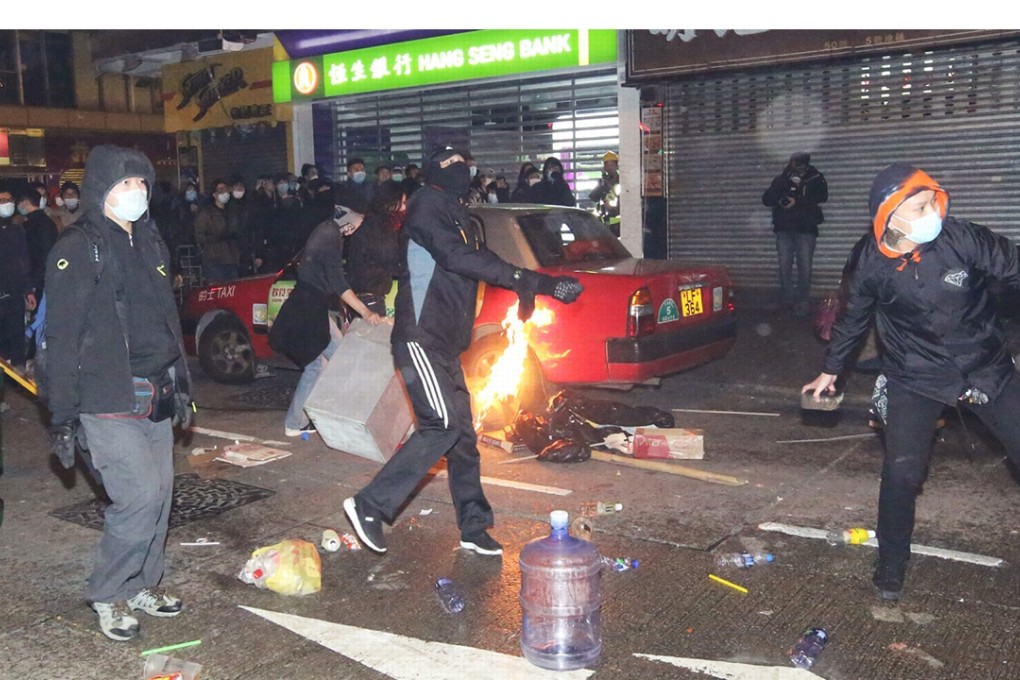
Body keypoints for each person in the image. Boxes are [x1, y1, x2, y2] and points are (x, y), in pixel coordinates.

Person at [342, 147, 584, 556]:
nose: (463, 169)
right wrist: (527, 280)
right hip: (420, 337)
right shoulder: (425, 207)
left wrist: (530, 284)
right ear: (435, 172)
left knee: (463, 437)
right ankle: (369, 504)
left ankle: (473, 527)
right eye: (452, 164)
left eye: (465, 163)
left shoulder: (458, 212)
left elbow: (482, 259)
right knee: (442, 426)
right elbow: (456, 257)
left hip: (446, 343)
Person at [802, 162, 1020, 602]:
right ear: (889, 214)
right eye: (919, 207)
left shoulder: (962, 238)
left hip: (985, 365)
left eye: (933, 203)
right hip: (914, 375)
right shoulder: (868, 260)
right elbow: (853, 317)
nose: (933, 214)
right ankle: (891, 564)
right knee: (902, 473)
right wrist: (832, 368)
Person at [44, 144, 193, 641]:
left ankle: (146, 584)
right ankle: (108, 593)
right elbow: (60, 338)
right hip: (108, 397)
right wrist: (62, 416)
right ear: (100, 191)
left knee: (162, 496)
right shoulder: (78, 248)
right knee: (139, 497)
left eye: (142, 184)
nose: (137, 193)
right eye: (125, 184)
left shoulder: (150, 243)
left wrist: (183, 387)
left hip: (157, 392)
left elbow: (167, 322)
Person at [269, 201, 388, 438]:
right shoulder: (329, 235)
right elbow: (338, 282)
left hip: (313, 306)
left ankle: (344, 414)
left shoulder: (328, 230)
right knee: (318, 365)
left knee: (339, 358)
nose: (357, 227)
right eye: (358, 221)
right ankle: (296, 423)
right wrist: (366, 312)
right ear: (347, 215)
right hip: (308, 308)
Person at [762, 152, 828, 316]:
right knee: (784, 266)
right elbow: (766, 199)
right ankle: (787, 300)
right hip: (784, 228)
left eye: (800, 165)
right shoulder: (781, 179)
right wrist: (779, 198)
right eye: (794, 164)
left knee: (804, 267)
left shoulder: (815, 178)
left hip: (806, 229)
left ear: (806, 164)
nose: (797, 169)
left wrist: (798, 201)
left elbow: (822, 197)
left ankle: (802, 302)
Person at [347, 180, 406, 315]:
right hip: (370, 296)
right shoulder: (380, 227)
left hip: (366, 294)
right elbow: (388, 256)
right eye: (401, 203)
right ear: (391, 203)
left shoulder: (372, 223)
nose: (404, 208)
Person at [0, 186, 34, 369]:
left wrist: (28, 290)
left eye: (9, 200)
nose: (7, 204)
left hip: (14, 294)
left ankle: (19, 370)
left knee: (16, 336)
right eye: (2, 201)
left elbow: (24, 261)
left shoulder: (17, 231)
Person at [194, 179, 240, 283]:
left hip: (231, 259)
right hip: (214, 260)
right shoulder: (206, 213)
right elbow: (199, 234)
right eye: (220, 190)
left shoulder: (231, 211)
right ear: (214, 194)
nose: (224, 192)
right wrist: (214, 238)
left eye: (225, 189)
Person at [19, 187, 59, 297]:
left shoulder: (28, 226)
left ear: (26, 202)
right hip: (48, 277)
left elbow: (32, 255)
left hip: (37, 279)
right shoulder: (49, 222)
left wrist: (32, 282)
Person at [588, 151, 621, 236]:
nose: (610, 168)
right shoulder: (602, 182)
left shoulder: (621, 181)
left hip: (619, 220)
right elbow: (593, 197)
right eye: (607, 165)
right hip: (605, 221)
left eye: (612, 165)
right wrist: (602, 185)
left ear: (617, 166)